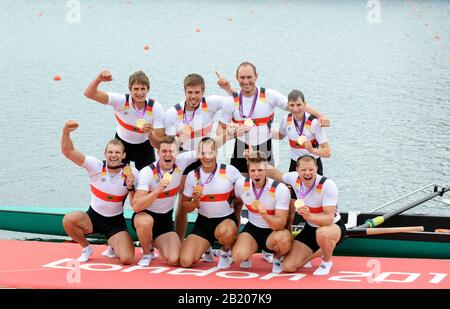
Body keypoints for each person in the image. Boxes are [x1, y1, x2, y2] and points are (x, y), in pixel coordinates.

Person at [216, 62, 330, 174]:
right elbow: (219, 131)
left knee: (268, 189)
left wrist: (320, 116)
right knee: (240, 188)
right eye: (242, 77)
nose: (246, 81)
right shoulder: (230, 101)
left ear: (256, 76)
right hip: (241, 149)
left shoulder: (269, 95)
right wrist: (233, 133)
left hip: (264, 148)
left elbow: (295, 105)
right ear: (236, 78)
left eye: (249, 77)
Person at [164, 73, 230, 243]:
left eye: (197, 92)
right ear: (184, 92)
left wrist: (227, 88)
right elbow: (171, 147)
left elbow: (236, 102)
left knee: (208, 194)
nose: (193, 96)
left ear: (203, 92)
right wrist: (179, 139)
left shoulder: (212, 103)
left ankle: (207, 241)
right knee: (182, 201)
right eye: (190, 92)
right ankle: (179, 240)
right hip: (185, 157)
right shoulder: (173, 113)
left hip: (206, 155)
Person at [61, 120, 137, 265]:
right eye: (110, 152)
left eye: (117, 152)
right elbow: (68, 152)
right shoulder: (95, 165)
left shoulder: (132, 173)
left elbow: (136, 205)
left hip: (115, 222)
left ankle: (113, 244)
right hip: (93, 217)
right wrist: (66, 131)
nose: (113, 155)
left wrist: (131, 187)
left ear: (123, 155)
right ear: (105, 154)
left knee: (127, 259)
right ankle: (86, 248)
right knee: (68, 220)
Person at [266, 155, 346, 275]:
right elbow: (276, 174)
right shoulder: (294, 178)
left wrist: (309, 217)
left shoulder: (328, 185)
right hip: (310, 228)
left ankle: (327, 261)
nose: (307, 173)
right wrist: (256, 161)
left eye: (311, 169)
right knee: (288, 267)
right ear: (297, 170)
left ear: (316, 169)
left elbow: (329, 219)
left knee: (322, 233)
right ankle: (318, 252)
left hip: (332, 228)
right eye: (303, 170)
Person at [131, 136, 198, 267]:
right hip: (144, 215)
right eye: (164, 151)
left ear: (177, 153)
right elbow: (136, 206)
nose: (168, 155)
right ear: (158, 153)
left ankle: (156, 241)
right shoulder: (147, 172)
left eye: (171, 151)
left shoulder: (181, 162)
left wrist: (229, 134)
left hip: (165, 220)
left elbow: (207, 148)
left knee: (174, 260)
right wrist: (158, 190)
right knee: (145, 222)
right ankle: (147, 252)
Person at [179, 137, 243, 269]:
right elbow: (184, 206)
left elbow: (248, 191)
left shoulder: (230, 171)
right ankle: (206, 249)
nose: (207, 157)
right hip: (203, 222)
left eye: (210, 152)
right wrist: (195, 202)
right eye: (203, 153)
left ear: (216, 153)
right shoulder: (192, 175)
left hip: (225, 220)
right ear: (198, 155)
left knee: (225, 231)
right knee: (185, 261)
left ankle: (225, 253)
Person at [84, 70, 165, 170]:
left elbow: (160, 145)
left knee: (149, 178)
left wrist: (151, 135)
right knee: (122, 180)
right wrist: (98, 79)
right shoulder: (121, 101)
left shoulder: (156, 108)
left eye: (143, 89)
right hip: (122, 144)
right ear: (130, 90)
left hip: (145, 147)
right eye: (136, 89)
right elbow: (88, 94)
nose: (139, 93)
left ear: (147, 90)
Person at [232, 151, 292, 273]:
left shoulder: (280, 189)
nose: (256, 174)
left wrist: (264, 214)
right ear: (248, 171)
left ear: (266, 170)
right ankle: (248, 252)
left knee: (284, 239)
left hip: (273, 231)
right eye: (253, 171)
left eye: (260, 170)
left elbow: (280, 224)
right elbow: (235, 201)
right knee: (238, 257)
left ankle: (277, 257)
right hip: (253, 228)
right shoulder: (241, 184)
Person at [274, 89, 331, 174]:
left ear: (305, 104)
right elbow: (280, 136)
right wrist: (261, 130)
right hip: (295, 165)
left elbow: (328, 152)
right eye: (292, 105)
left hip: (313, 165)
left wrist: (312, 150)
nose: (295, 109)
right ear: (287, 106)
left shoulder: (314, 123)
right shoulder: (286, 119)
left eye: (298, 105)